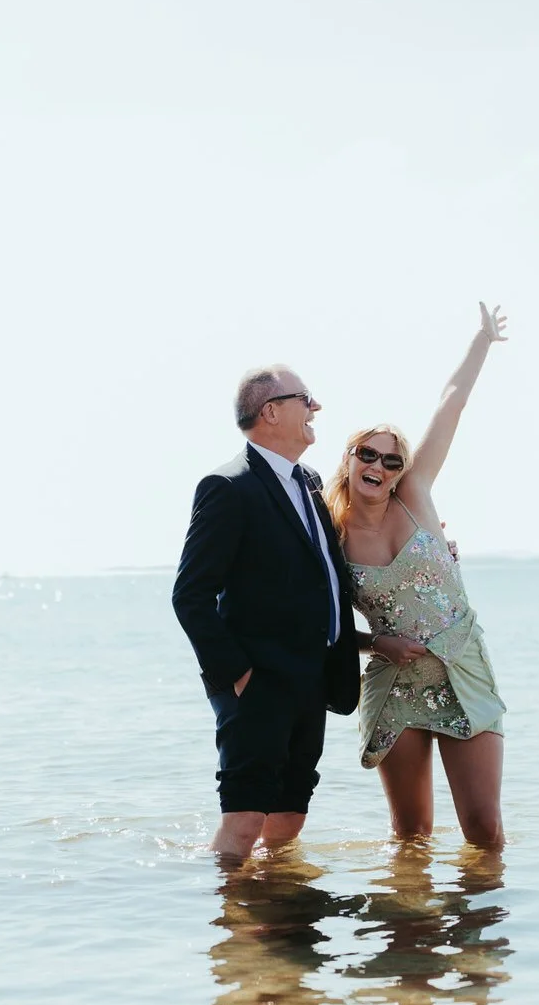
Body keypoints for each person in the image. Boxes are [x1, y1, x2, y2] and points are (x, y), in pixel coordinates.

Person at [323, 303, 510, 848]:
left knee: (484, 831)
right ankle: (412, 931)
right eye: (368, 455)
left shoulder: (417, 496)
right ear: (350, 460)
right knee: (411, 837)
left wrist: (482, 340)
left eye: (391, 460)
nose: (379, 466)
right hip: (394, 682)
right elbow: (320, 621)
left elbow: (452, 403)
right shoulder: (329, 538)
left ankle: (483, 928)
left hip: (460, 664)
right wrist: (375, 641)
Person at [173, 365, 371, 862]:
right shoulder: (227, 486)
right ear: (271, 411)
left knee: (288, 819)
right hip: (257, 684)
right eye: (306, 397)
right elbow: (190, 595)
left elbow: (323, 576)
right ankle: (231, 933)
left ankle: (274, 920)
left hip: (311, 679)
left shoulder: (308, 481)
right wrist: (238, 676)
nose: (316, 407)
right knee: (243, 823)